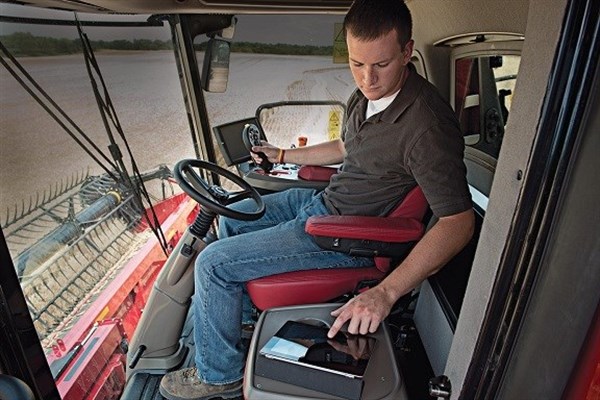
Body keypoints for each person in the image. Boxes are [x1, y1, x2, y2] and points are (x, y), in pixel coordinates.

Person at [159, 0, 475, 398]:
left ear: (407, 51)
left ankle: (219, 375)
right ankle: (235, 329)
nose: (367, 78)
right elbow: (347, 146)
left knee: (212, 264)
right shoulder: (364, 97)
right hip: (322, 203)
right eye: (357, 63)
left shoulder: (427, 127)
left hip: (344, 236)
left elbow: (458, 222)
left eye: (381, 64)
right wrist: (283, 156)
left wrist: (386, 292)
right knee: (231, 218)